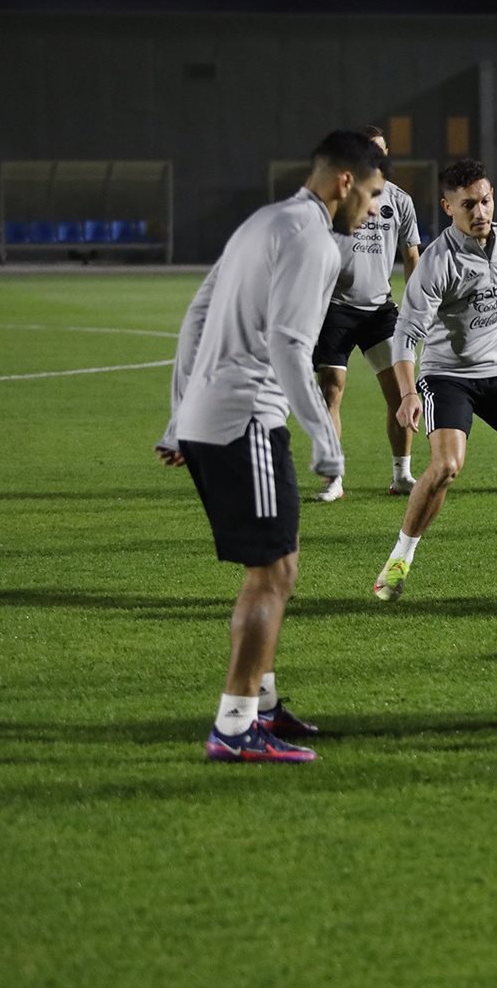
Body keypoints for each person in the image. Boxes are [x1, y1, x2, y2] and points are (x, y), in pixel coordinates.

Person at [155, 129, 386, 763]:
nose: (372, 212)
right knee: (273, 573)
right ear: (344, 182)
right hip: (246, 420)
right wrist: (325, 438)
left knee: (276, 566)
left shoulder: (263, 222)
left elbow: (196, 316)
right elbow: (289, 343)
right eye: (370, 196)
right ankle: (235, 728)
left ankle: (260, 700)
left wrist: (179, 417)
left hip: (209, 418)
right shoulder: (313, 239)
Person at [373, 158, 497, 603]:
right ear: (448, 207)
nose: (480, 212)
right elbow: (405, 334)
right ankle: (399, 560)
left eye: (485, 201)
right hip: (447, 375)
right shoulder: (436, 262)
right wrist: (407, 393)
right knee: (447, 466)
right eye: (468, 205)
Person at [310, 124, 421, 502]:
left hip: (380, 311)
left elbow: (411, 256)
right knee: (330, 392)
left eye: (382, 151)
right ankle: (333, 479)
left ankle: (402, 475)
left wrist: (416, 308)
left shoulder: (400, 200)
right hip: (337, 308)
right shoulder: (339, 195)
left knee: (402, 394)